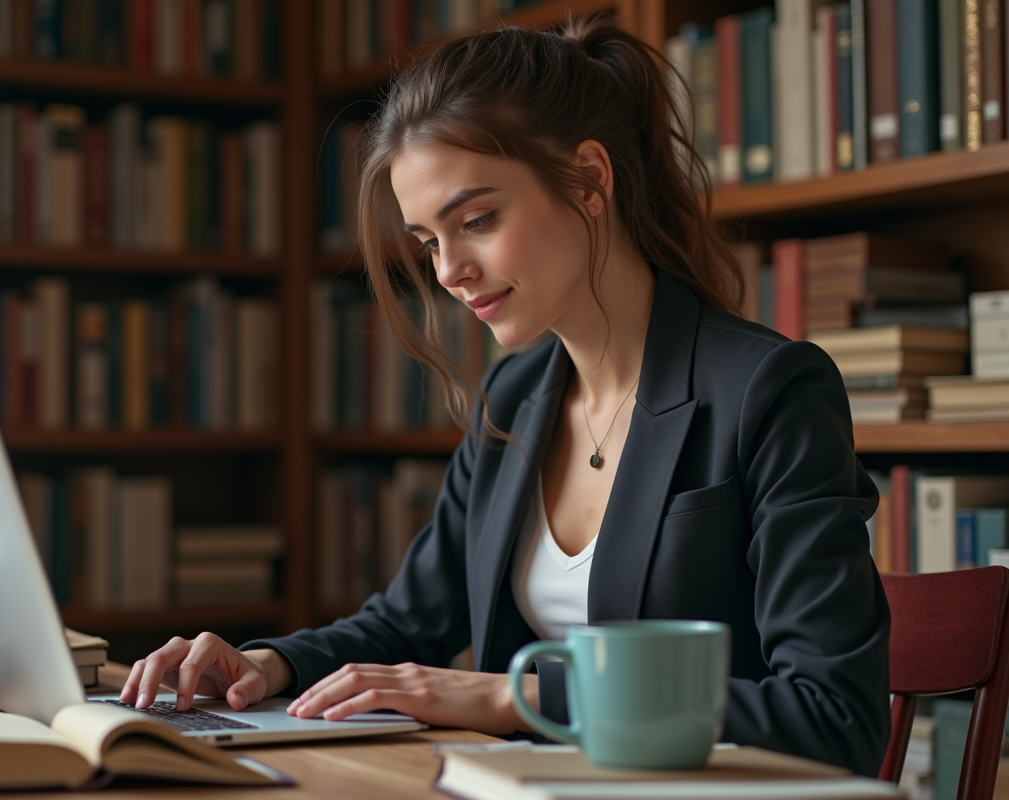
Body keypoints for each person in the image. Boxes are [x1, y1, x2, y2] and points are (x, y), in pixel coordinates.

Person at [120, 15, 891, 776]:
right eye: (429, 241)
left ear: (589, 179)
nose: (449, 270)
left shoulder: (768, 390)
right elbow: (410, 621)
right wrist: (266, 665)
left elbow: (833, 717)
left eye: (477, 220)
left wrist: (518, 697)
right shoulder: (516, 394)